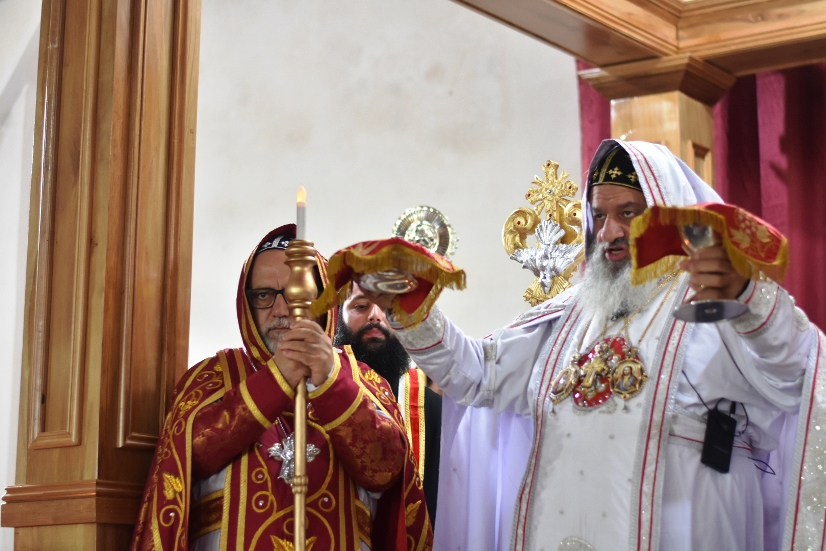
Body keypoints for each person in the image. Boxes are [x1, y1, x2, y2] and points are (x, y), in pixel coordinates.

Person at [363, 141, 824, 551]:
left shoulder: (714, 303)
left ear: (666, 213)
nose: (608, 232)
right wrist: (414, 308)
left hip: (687, 527)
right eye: (599, 215)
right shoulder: (568, 315)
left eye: (629, 213)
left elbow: (795, 374)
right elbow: (478, 376)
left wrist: (750, 297)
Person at [131, 224, 432, 551]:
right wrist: (277, 379)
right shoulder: (210, 377)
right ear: (246, 304)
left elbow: (386, 470)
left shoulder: (365, 382)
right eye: (264, 295)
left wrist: (331, 382)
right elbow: (190, 457)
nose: (280, 310)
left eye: (296, 295)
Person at [334, 282, 442, 522]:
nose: (375, 315)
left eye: (387, 307)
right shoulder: (315, 398)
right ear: (337, 316)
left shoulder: (432, 409)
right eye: (361, 306)